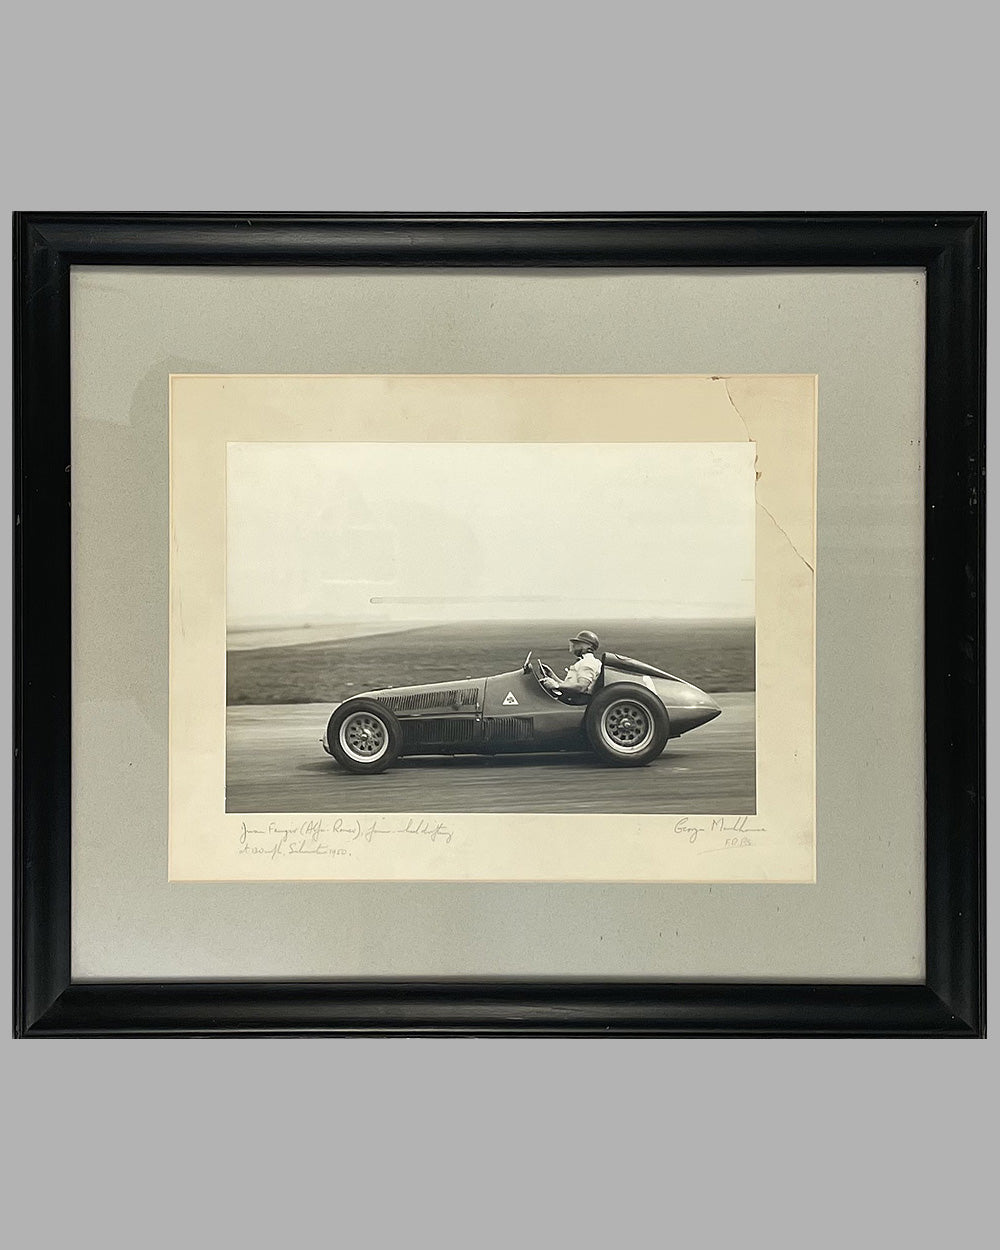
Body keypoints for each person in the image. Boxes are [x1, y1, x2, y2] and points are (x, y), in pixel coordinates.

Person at [540, 630, 602, 698]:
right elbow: (568, 686)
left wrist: (556, 685)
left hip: (576, 700)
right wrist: (551, 675)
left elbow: (581, 687)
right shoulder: (586, 661)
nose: (575, 646)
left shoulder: (588, 662)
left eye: (578, 643)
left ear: (589, 646)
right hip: (572, 697)